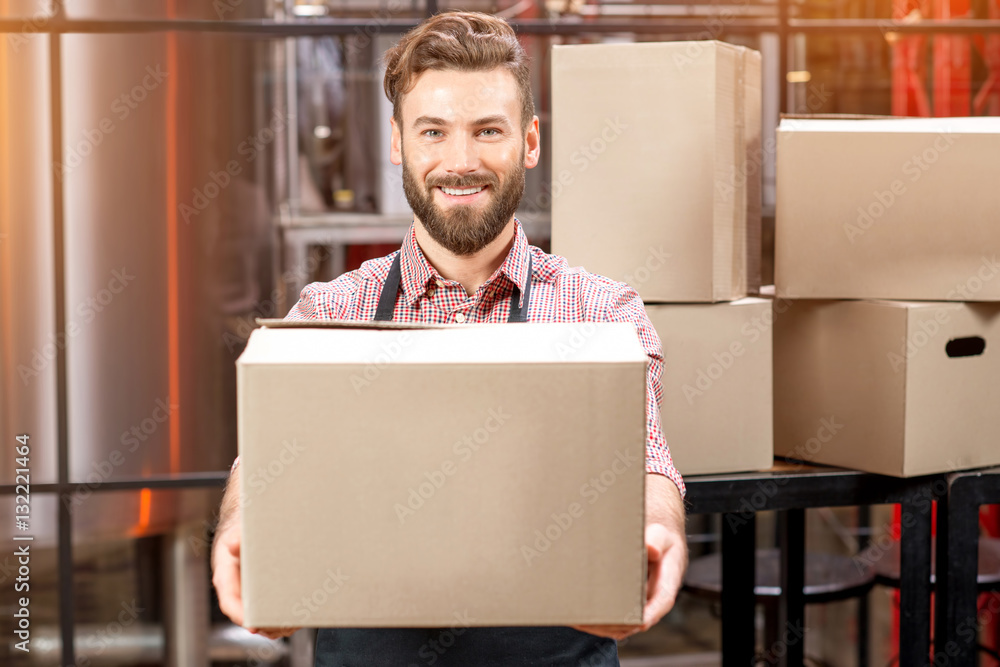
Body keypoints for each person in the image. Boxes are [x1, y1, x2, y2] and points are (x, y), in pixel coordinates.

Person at [212, 11, 688, 666]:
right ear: (398, 143)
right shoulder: (332, 310)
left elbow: (646, 460)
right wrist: (240, 523)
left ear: (529, 141)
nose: (460, 161)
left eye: (487, 131)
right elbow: (266, 461)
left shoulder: (603, 313)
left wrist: (658, 527)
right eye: (433, 131)